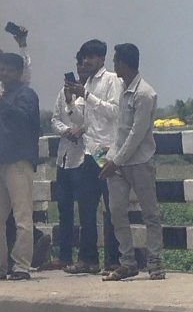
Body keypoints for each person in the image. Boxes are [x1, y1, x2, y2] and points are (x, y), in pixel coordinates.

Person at [54, 40, 123, 274]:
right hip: (89, 151)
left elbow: (115, 112)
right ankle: (89, 260)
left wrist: (86, 95)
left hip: (106, 150)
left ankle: (113, 261)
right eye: (84, 57)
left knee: (111, 208)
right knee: (86, 208)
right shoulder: (88, 83)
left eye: (91, 57)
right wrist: (69, 100)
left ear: (102, 58)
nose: (86, 61)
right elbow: (79, 120)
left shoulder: (112, 80)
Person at [101, 43, 164, 281]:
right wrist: (112, 157)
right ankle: (127, 261)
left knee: (150, 213)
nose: (114, 65)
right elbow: (120, 129)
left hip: (140, 161)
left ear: (124, 63)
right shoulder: (121, 89)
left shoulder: (145, 93)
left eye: (116, 61)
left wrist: (115, 161)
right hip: (118, 161)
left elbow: (137, 134)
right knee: (116, 211)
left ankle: (155, 262)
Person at [0, 53, 41, 281]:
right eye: (1, 69)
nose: (2, 73)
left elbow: (22, 120)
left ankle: (21, 266)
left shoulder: (26, 94)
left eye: (7, 70)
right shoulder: (2, 96)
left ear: (18, 72)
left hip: (18, 161)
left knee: (22, 216)